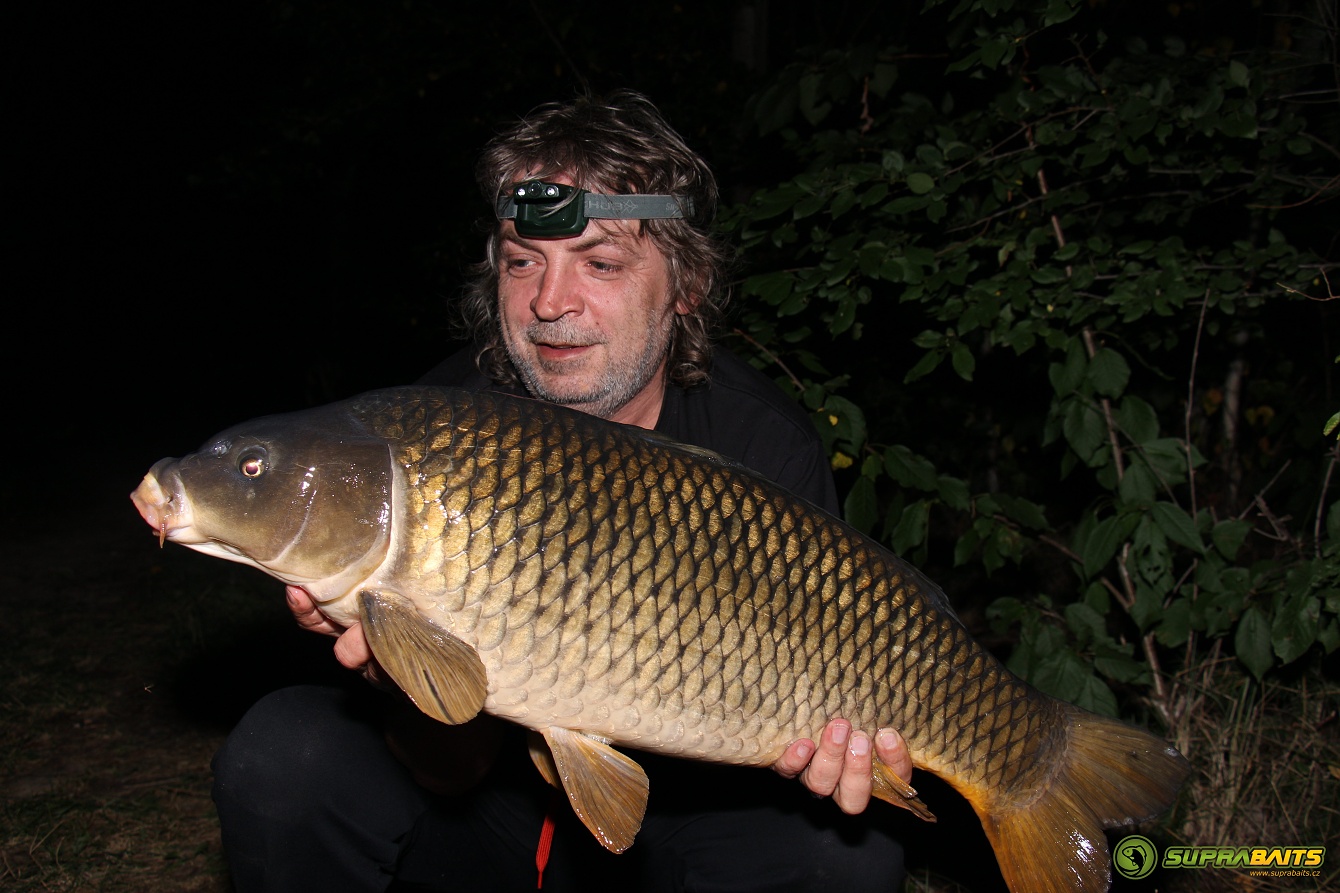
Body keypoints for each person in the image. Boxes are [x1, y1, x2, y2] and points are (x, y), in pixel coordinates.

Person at [212, 90, 913, 893]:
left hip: (693, 810)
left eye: (600, 264)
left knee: (845, 854)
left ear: (685, 284)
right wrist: (407, 678)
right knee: (288, 756)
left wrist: (836, 746)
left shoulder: (763, 446)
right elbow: (450, 769)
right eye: (523, 261)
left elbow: (830, 691)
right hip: (491, 808)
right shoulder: (434, 438)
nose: (549, 302)